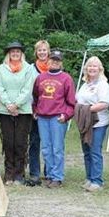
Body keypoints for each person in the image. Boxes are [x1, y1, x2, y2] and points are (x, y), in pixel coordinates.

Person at [33, 50, 76, 189]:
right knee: (46, 148)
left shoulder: (66, 78)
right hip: (42, 118)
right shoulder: (41, 77)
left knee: (57, 148)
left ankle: (57, 177)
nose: (54, 62)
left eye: (57, 60)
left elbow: (71, 102)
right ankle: (50, 175)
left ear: (61, 63)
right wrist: (35, 110)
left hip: (57, 118)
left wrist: (66, 115)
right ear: (48, 61)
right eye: (52, 60)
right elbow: (35, 96)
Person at [0, 41, 38, 185]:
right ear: (9, 54)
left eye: (18, 52)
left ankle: (19, 174)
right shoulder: (1, 69)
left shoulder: (28, 69)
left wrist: (16, 105)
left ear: (22, 54)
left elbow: (28, 89)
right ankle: (9, 173)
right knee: (8, 142)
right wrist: (8, 104)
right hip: (5, 110)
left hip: (23, 110)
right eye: (12, 52)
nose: (15, 54)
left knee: (20, 142)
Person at [75, 56, 109, 192]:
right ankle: (89, 178)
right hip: (85, 122)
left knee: (95, 150)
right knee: (86, 151)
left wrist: (86, 110)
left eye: (95, 66)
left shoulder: (103, 84)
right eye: (89, 66)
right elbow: (78, 99)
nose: (92, 68)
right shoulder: (85, 84)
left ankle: (97, 181)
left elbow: (104, 103)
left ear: (100, 69)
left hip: (98, 122)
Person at [25, 39, 51, 186]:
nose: (42, 52)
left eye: (44, 50)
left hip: (51, 111)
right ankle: (35, 173)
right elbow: (29, 90)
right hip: (35, 111)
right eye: (39, 50)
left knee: (49, 143)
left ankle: (49, 172)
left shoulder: (54, 67)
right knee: (35, 142)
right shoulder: (30, 69)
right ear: (36, 52)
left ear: (48, 51)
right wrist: (33, 109)